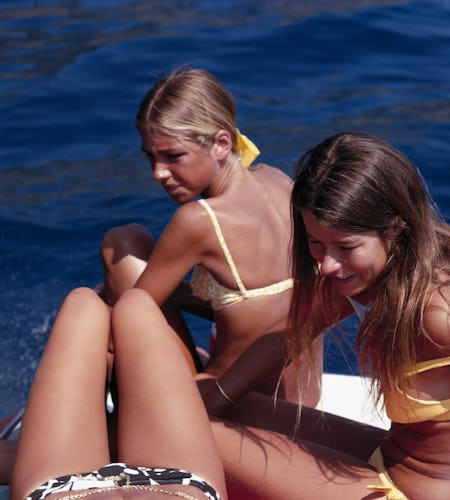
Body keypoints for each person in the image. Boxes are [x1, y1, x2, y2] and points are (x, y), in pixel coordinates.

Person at [207, 132, 450, 499]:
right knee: (216, 407)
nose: (328, 264)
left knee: (191, 429)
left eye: (346, 246)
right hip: (390, 460)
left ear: (395, 227)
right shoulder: (376, 276)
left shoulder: (443, 314)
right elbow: (290, 333)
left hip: (410, 493)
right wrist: (219, 396)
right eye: (315, 242)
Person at [98, 67, 322, 409]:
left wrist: (104, 307)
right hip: (303, 402)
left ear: (221, 143)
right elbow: (257, 302)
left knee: (124, 244)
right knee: (140, 268)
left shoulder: (200, 220)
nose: (158, 173)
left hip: (229, 409)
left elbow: (129, 320)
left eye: (173, 156)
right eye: (151, 157)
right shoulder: (278, 182)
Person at [10, 287, 227, 500]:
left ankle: (110, 371)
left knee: (85, 304)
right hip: (180, 487)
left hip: (61, 490)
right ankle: (111, 373)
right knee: (135, 305)